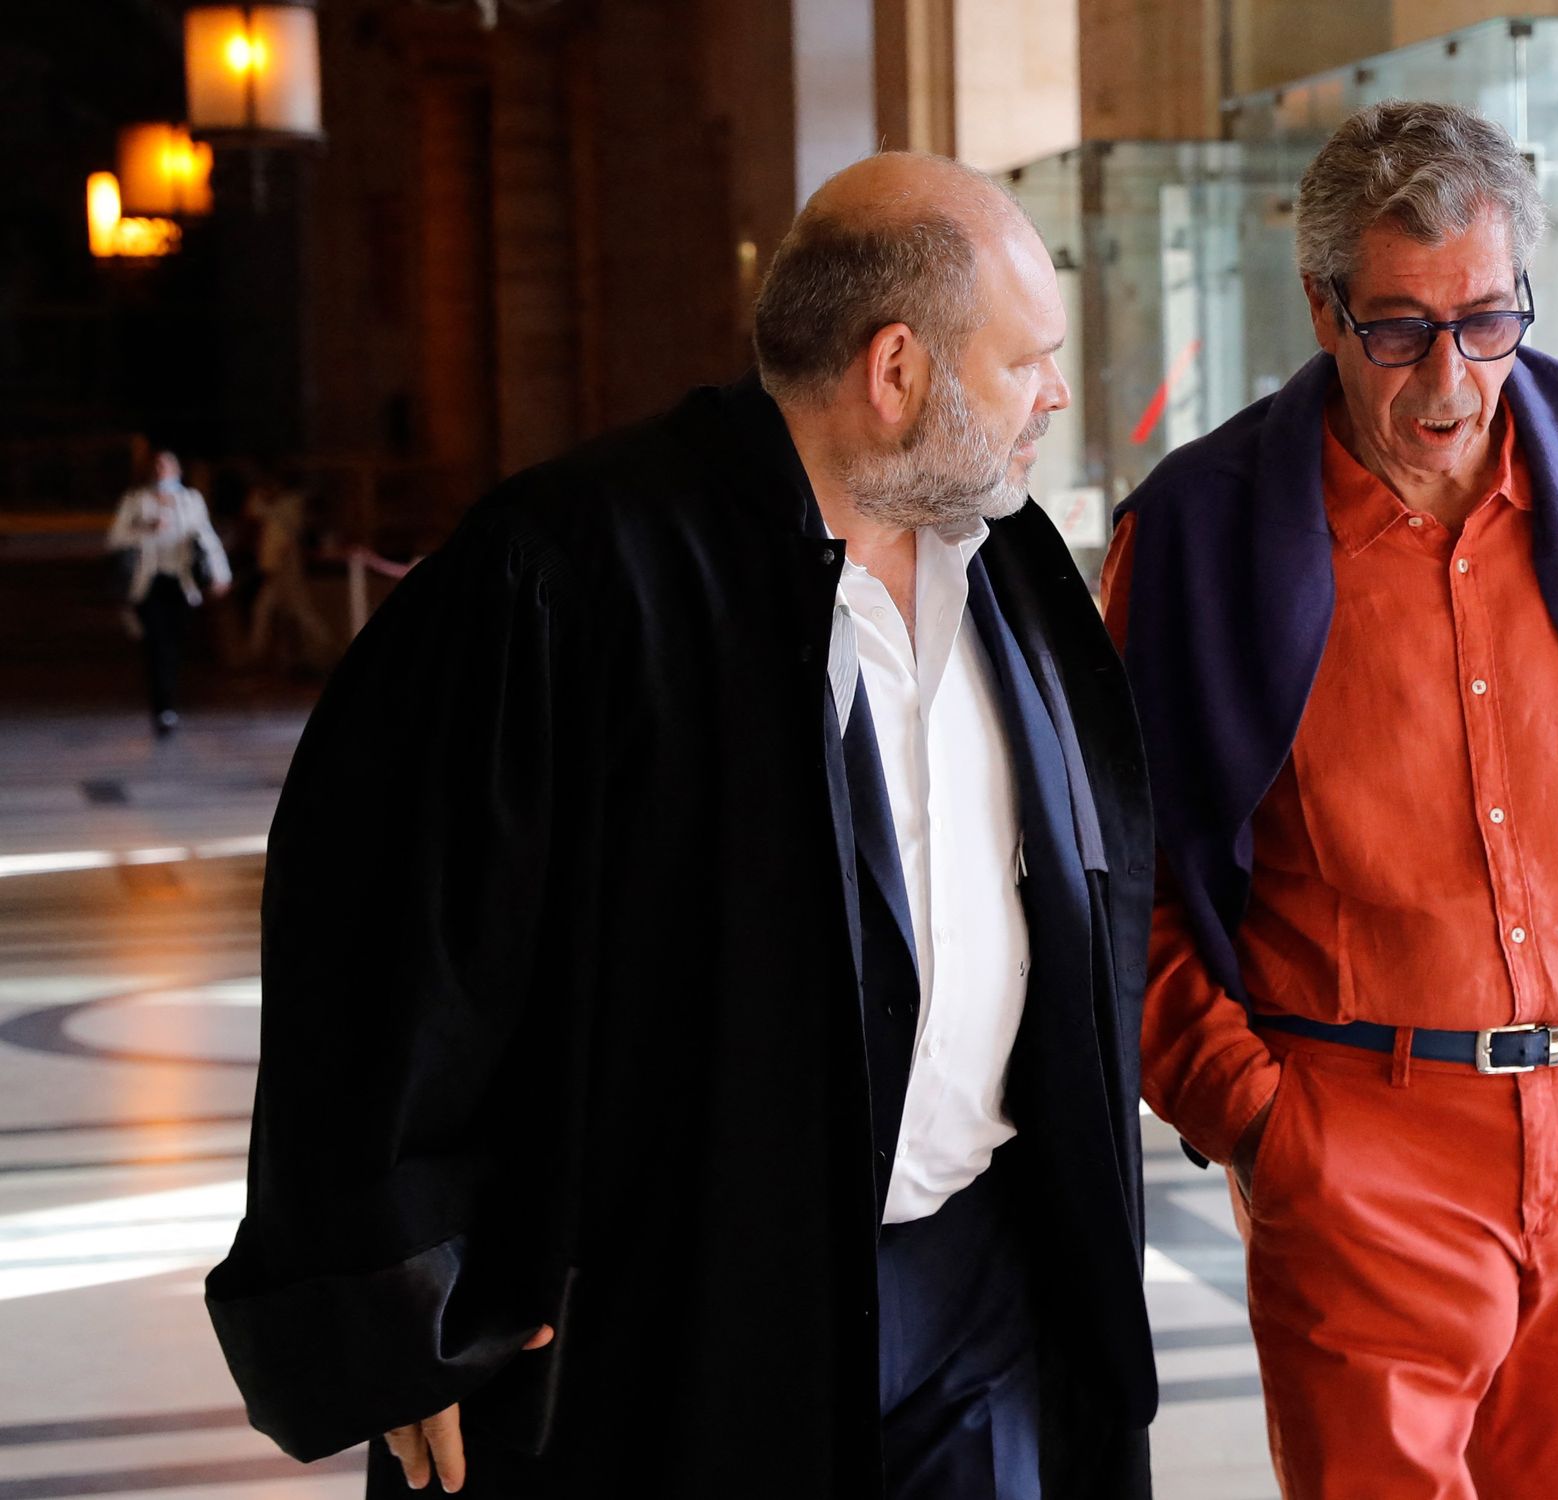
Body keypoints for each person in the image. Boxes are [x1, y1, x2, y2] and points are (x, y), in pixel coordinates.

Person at [207, 153, 1158, 1499]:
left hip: (979, 1291)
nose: (1055, 394)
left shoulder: (1008, 567)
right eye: (1027, 361)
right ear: (896, 371)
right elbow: (385, 946)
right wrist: (400, 1307)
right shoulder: (568, 572)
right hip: (684, 1320)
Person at [1103, 101, 1558, 1498]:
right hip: (1358, 1150)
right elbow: (1124, 875)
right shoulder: (1199, 533)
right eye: (1401, 331)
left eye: (1488, 322)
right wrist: (1264, 1127)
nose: (1452, 381)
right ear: (1324, 308)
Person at [106, 448, 231, 734]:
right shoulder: (136, 500)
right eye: (156, 466)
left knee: (174, 644)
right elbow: (115, 538)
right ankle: (163, 707)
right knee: (156, 643)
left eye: (166, 466)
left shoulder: (190, 500)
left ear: (177, 471)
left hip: (181, 583)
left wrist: (220, 574)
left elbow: (206, 537)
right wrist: (145, 527)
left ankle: (170, 700)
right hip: (148, 584)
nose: (160, 471)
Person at [240, 471, 337, 671]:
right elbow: (253, 512)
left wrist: (260, 495)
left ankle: (329, 649)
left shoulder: (289, 504)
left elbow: (280, 531)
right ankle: (255, 655)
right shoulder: (277, 506)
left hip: (286, 567)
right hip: (275, 568)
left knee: (301, 612)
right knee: (263, 610)